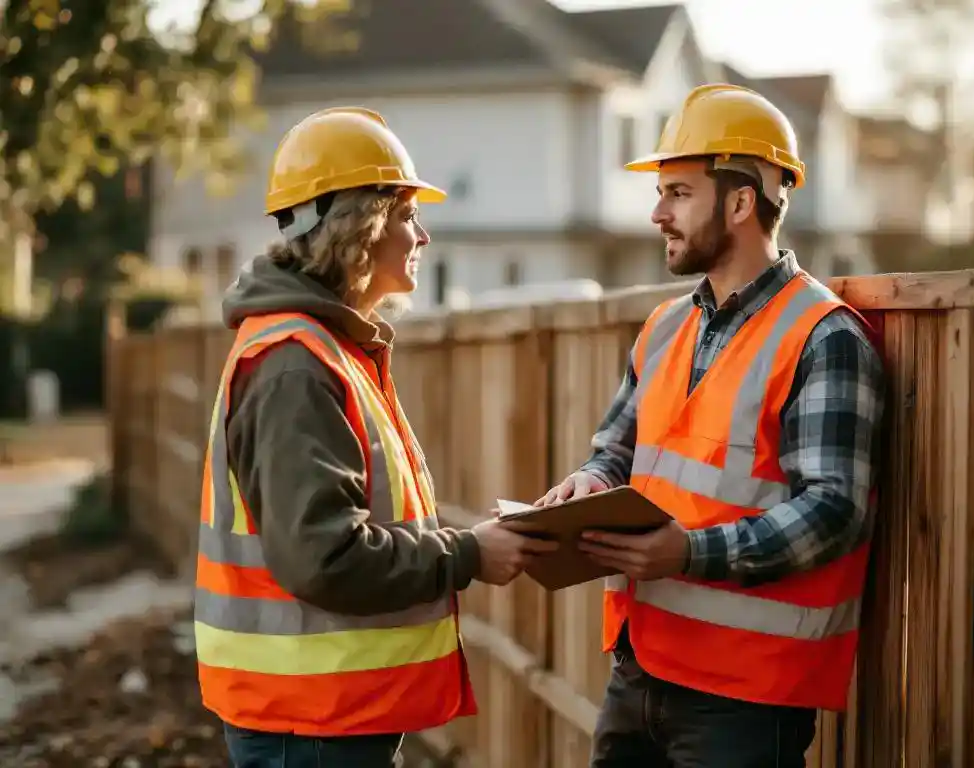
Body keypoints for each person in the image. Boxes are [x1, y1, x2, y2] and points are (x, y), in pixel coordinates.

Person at [194, 106, 557, 768]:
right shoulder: (295, 364)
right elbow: (325, 558)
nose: (422, 236)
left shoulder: (318, 349)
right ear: (359, 227)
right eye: (405, 215)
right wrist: (467, 554)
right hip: (309, 728)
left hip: (317, 719)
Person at [537, 84, 887, 767]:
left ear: (740, 201)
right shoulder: (667, 327)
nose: (657, 213)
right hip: (639, 668)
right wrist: (589, 481)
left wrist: (689, 554)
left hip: (746, 700)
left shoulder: (824, 338)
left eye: (677, 193)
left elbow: (835, 511)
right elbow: (618, 449)